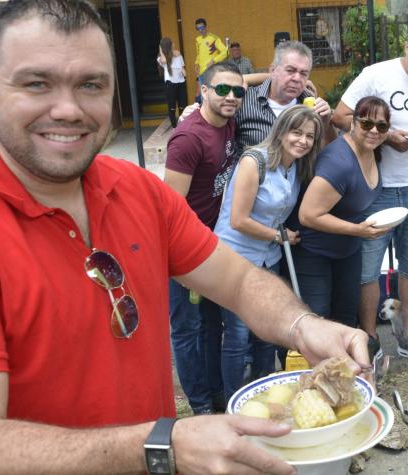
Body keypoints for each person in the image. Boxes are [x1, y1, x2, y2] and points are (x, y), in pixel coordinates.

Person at [0, 2, 369, 474]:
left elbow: (236, 281)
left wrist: (303, 326)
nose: (68, 109)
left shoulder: (138, 192)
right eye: (36, 83)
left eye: (91, 84)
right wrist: (160, 447)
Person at [333, 17, 408, 367]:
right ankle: (369, 338)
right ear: (407, 44)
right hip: (375, 188)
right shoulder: (377, 74)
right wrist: (385, 136)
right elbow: (340, 116)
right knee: (367, 270)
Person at [214, 105, 323, 399]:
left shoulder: (297, 167)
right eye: (296, 132)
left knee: (267, 332)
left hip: (269, 259)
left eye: (309, 136)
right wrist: (279, 235)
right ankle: (234, 402)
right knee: (237, 336)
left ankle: (264, 394)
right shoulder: (254, 161)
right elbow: (238, 219)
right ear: (281, 131)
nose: (302, 140)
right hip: (236, 258)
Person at [165, 60, 244, 414]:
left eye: (238, 91)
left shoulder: (227, 125)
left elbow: (241, 84)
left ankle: (215, 396)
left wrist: (268, 77)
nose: (231, 97)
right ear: (203, 91)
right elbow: (170, 208)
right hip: (183, 248)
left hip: (214, 243)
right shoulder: (188, 138)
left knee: (211, 325)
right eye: (222, 89)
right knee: (188, 329)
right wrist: (188, 258)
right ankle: (199, 406)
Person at [295, 97, 391, 334]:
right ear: (352, 123)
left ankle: (344, 371)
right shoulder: (340, 163)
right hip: (315, 251)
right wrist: (358, 230)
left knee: (346, 319)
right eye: (366, 124)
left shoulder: (372, 152)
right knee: (318, 321)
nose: (373, 131)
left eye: (381, 126)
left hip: (347, 250)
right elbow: (308, 215)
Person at [236, 41, 336, 159]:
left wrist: (326, 124)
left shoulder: (312, 106)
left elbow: (327, 156)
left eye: (304, 73)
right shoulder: (244, 100)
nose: (297, 78)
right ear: (272, 70)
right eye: (290, 70)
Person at [157, 37, 186, 128]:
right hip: (170, 84)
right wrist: (161, 50)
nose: (174, 44)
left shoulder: (178, 55)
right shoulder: (161, 58)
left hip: (181, 82)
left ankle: (182, 125)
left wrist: (184, 72)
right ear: (168, 46)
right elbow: (164, 60)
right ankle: (174, 126)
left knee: (182, 104)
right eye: (171, 43)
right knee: (172, 106)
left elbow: (183, 68)